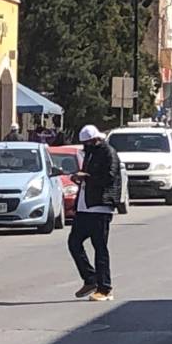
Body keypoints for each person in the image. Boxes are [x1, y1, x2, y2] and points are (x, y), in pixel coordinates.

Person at [68, 125, 122, 302]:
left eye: (88, 143)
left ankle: (105, 288)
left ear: (96, 140)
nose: (86, 146)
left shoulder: (108, 152)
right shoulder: (90, 153)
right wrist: (79, 177)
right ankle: (90, 279)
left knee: (100, 247)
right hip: (85, 206)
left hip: (100, 206)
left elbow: (110, 177)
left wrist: (88, 177)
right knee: (74, 243)